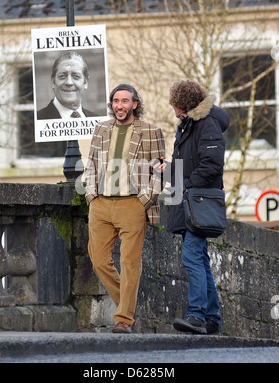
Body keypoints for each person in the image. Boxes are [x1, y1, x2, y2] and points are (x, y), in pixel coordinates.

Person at [85, 84, 165, 333]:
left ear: (135, 104)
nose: (120, 106)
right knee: (98, 261)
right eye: (115, 101)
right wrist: (90, 195)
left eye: (125, 101)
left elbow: (160, 172)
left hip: (132, 204)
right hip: (101, 204)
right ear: (111, 105)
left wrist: (144, 199)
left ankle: (124, 320)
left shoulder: (151, 131)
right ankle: (127, 305)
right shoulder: (101, 129)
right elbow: (91, 164)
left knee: (130, 263)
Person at [167, 79, 229, 335]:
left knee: (191, 256)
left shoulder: (206, 123)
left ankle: (197, 316)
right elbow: (187, 166)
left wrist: (187, 187)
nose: (172, 109)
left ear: (182, 105)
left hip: (198, 199)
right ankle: (212, 318)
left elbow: (212, 164)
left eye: (174, 104)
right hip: (191, 199)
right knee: (200, 259)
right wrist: (165, 168)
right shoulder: (190, 125)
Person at [37, 51, 97, 119]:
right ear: (53, 82)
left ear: (85, 82)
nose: (69, 82)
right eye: (62, 76)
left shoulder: (96, 119)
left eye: (76, 76)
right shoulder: (36, 120)